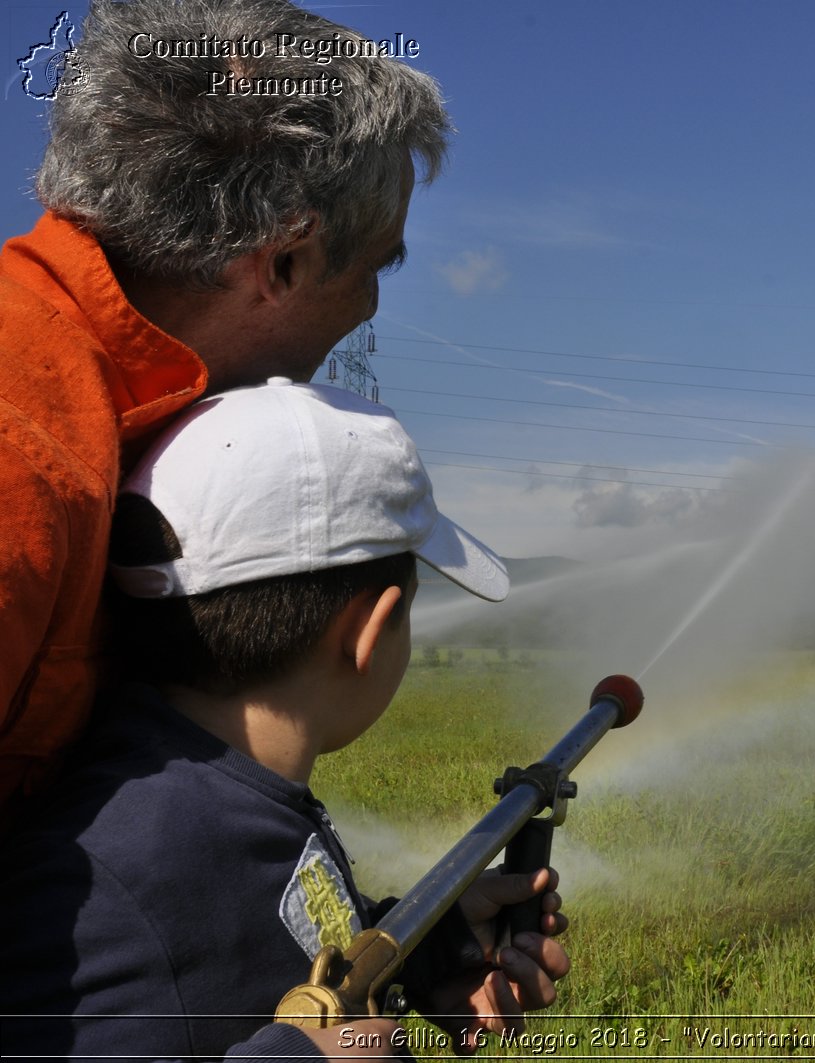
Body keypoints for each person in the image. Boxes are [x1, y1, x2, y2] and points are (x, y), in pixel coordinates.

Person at [0, 379, 566, 1060]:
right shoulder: (108, 880)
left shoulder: (227, 791)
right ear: (371, 630)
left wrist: (421, 946)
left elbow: (260, 940)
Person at [0, 0, 449, 825]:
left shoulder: (102, 406)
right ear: (283, 260)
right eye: (374, 268)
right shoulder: (21, 457)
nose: (369, 308)